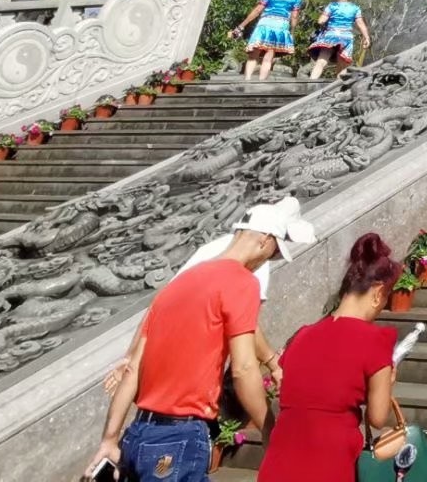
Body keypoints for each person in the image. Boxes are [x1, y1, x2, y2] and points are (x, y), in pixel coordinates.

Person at [87, 201, 314, 482]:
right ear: (265, 240)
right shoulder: (242, 282)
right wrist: (269, 428)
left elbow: (133, 368)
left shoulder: (175, 287)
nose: (269, 259)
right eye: (275, 252)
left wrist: (109, 440)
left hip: (138, 433)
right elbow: (243, 369)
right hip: (179, 438)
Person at [102, 197, 309, 397]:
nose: (276, 254)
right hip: (191, 373)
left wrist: (131, 356)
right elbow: (248, 328)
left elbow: (159, 303)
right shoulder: (253, 261)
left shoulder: (219, 247)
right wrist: (273, 363)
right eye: (281, 244)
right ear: (268, 239)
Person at [257, 233, 403, 482]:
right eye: (386, 297)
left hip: (278, 465)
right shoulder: (376, 340)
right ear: (378, 292)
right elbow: (378, 418)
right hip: (329, 464)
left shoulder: (303, 336)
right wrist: (387, 382)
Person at [306, 0, 371, 81]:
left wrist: (323, 22)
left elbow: (321, 21)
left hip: (331, 35)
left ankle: (311, 82)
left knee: (321, 62)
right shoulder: (355, 8)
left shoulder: (332, 6)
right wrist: (366, 38)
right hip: (346, 37)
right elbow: (361, 24)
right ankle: (339, 87)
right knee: (342, 66)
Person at [238, 0, 304, 80]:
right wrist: (292, 31)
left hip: (265, 23)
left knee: (254, 54)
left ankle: (247, 79)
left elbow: (257, 10)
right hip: (281, 25)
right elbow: (294, 16)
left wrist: (242, 25)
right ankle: (261, 81)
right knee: (269, 56)